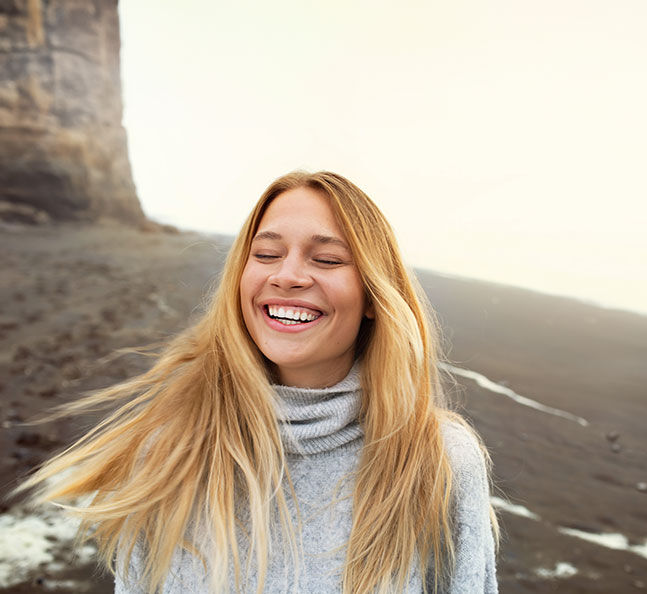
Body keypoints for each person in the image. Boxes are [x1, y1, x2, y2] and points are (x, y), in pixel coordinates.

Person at [20, 171, 499, 593]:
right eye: (267, 253)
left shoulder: (438, 461)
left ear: (374, 295)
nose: (288, 275)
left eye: (328, 260)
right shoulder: (171, 448)